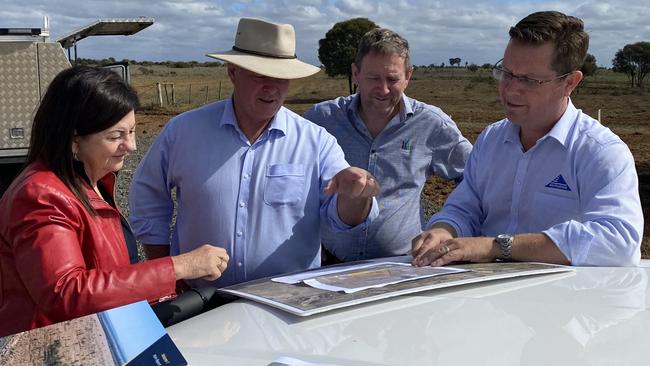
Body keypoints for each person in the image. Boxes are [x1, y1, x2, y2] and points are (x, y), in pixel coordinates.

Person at [129, 18, 379, 288]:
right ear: (233, 72)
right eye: (260, 75)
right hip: (198, 301)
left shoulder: (316, 141)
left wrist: (357, 196)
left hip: (286, 304)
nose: (272, 87)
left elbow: (341, 217)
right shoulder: (183, 132)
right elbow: (148, 198)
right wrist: (167, 274)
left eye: (282, 77)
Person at [0, 66, 229, 337]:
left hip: (94, 336)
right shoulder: (41, 195)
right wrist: (179, 266)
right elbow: (66, 292)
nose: (131, 145)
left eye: (132, 131)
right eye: (116, 136)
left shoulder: (92, 181)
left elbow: (110, 274)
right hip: (54, 347)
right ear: (74, 140)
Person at [412, 11, 643, 267]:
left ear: (570, 82)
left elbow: (618, 241)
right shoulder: (491, 139)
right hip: (487, 297)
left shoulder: (600, 152)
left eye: (529, 80)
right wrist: (445, 231)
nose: (510, 89)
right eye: (507, 73)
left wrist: (497, 247)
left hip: (564, 300)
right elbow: (465, 208)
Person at [304, 28, 471, 262]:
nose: (383, 90)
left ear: (408, 76)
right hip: (328, 263)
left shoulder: (432, 124)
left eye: (392, 79)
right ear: (355, 73)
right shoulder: (322, 119)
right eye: (373, 78)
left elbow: (475, 178)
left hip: (402, 264)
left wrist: (447, 224)